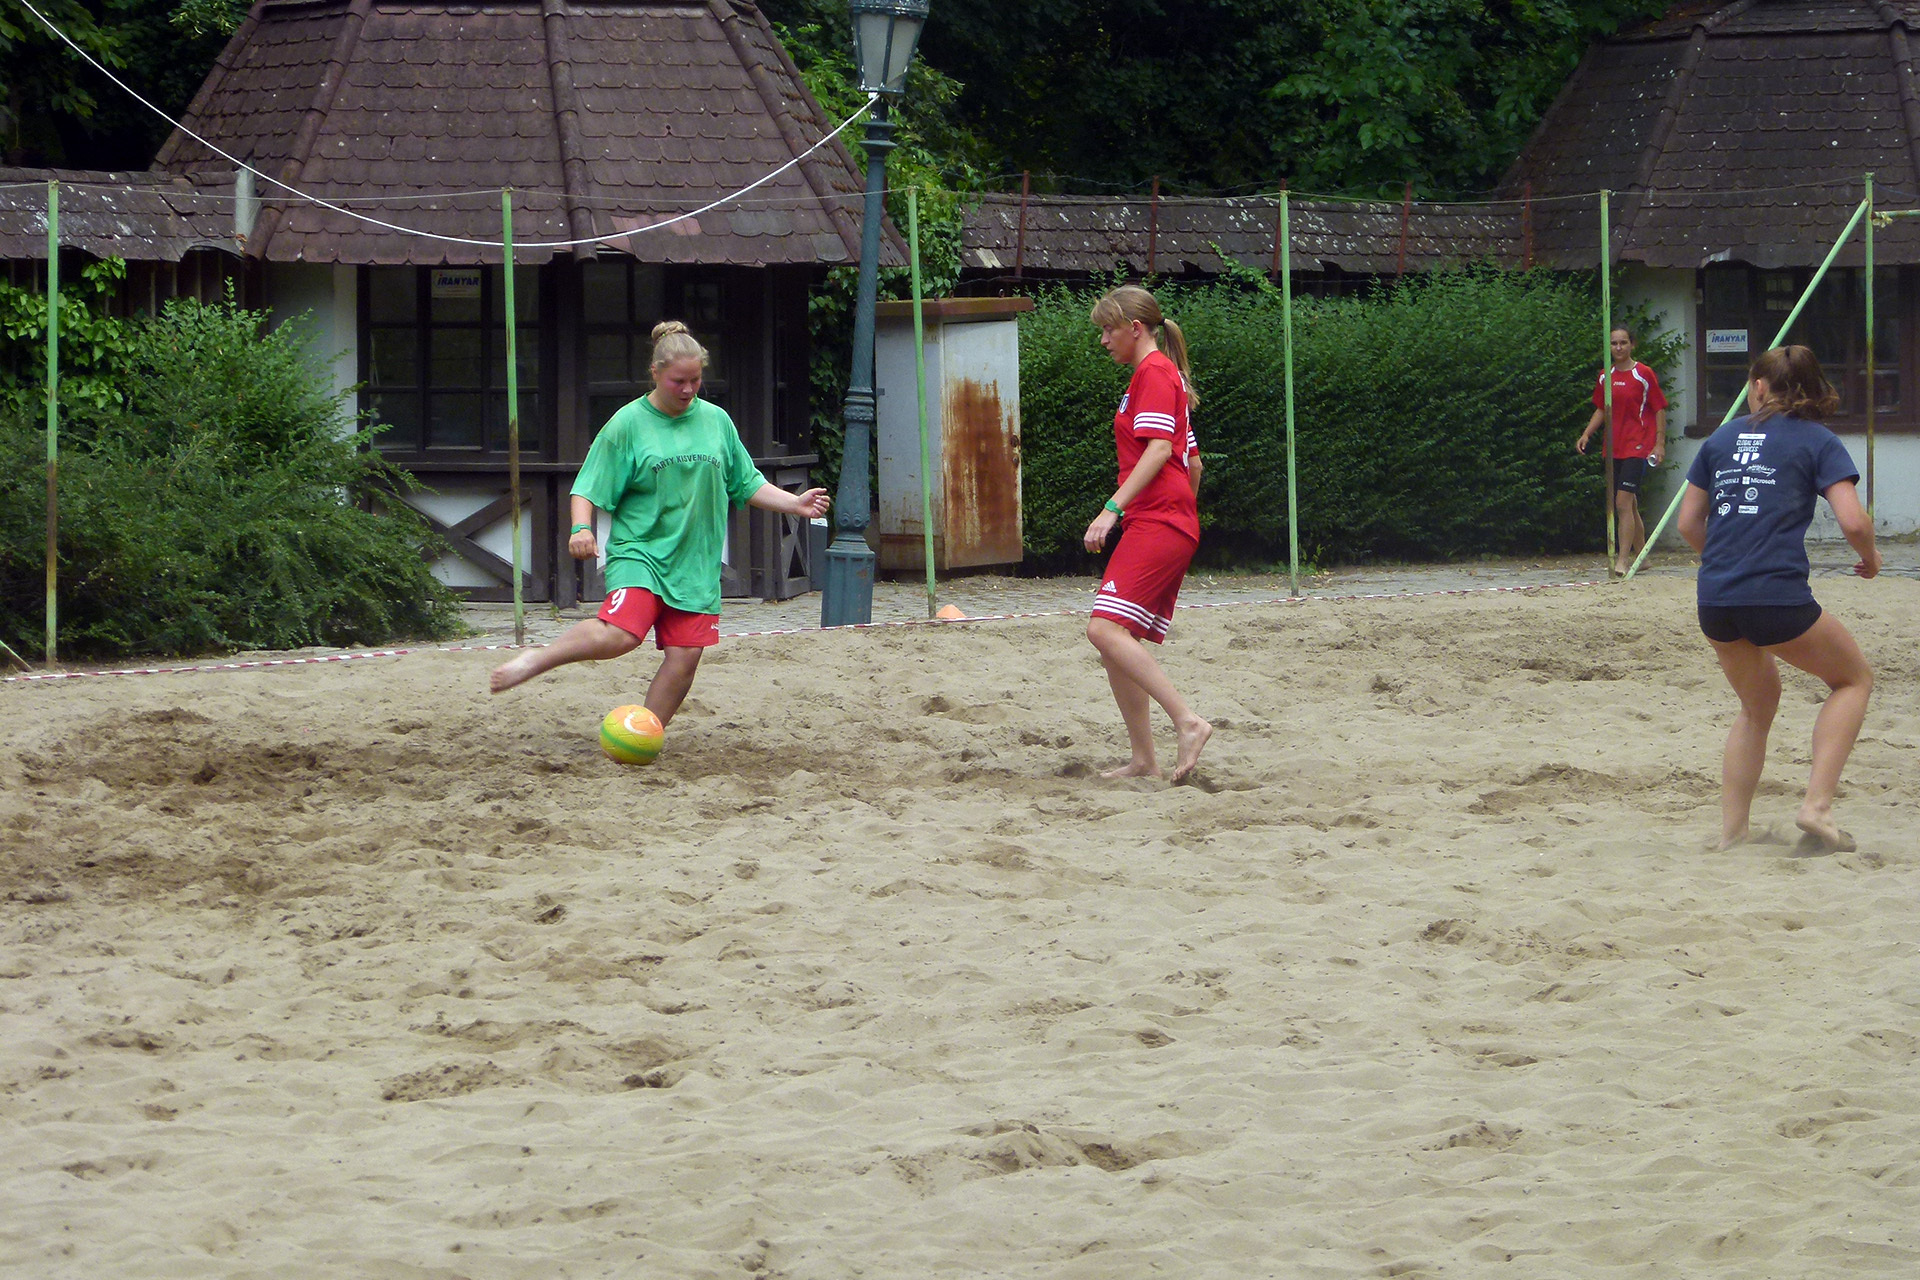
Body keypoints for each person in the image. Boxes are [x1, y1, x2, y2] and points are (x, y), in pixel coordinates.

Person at [490, 322, 830, 724]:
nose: (688, 390)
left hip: (696, 564)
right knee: (621, 634)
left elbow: (745, 482)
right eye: (678, 381)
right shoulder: (627, 424)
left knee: (684, 658)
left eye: (696, 380)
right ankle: (538, 659)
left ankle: (643, 733)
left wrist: (794, 503)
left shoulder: (717, 420)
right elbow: (588, 486)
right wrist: (581, 528)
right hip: (642, 552)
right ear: (655, 373)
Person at [1677, 345, 1879, 852]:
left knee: (1755, 708)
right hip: (1776, 597)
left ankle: (1733, 833)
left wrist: (1728, 562)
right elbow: (1853, 521)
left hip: (1716, 598)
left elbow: (1688, 524)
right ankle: (1817, 807)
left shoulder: (1721, 438)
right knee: (1853, 679)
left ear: (1760, 387)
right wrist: (1871, 557)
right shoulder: (1818, 439)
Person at [1081, 285, 1212, 782]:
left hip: (1158, 521)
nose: (1103, 340)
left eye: (1108, 329)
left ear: (1135, 328)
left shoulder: (1154, 373)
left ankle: (1188, 721)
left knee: (1103, 630)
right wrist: (1181, 513)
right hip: (1165, 520)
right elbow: (1192, 463)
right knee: (1116, 639)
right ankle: (1143, 760)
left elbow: (1159, 450)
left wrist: (1111, 510)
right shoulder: (1160, 376)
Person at [1577, 326, 1668, 575]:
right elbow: (1601, 408)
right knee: (1630, 504)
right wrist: (1587, 434)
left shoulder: (1643, 374)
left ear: (1632, 344)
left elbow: (1659, 408)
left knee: (1622, 503)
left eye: (1623, 342)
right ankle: (1643, 556)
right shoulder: (1605, 376)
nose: (1619, 347)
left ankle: (1623, 560)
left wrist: (1659, 443)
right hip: (1613, 447)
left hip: (1638, 446)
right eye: (1614, 343)